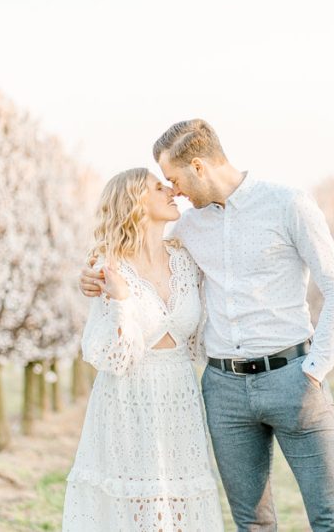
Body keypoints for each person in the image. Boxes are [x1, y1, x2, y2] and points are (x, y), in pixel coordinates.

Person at [80, 119, 334, 532]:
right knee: (251, 524)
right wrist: (94, 277)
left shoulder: (288, 204)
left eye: (174, 178)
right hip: (224, 391)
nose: (174, 190)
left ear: (198, 166)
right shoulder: (188, 228)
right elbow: (142, 257)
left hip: (294, 378)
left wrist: (315, 371)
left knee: (331, 519)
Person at [62, 167, 225, 531]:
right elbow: (114, 358)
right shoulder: (109, 267)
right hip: (127, 400)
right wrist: (121, 301)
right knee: (134, 506)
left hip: (179, 397)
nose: (170, 190)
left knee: (179, 504)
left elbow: (199, 335)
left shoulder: (186, 259)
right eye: (157, 186)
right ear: (136, 201)